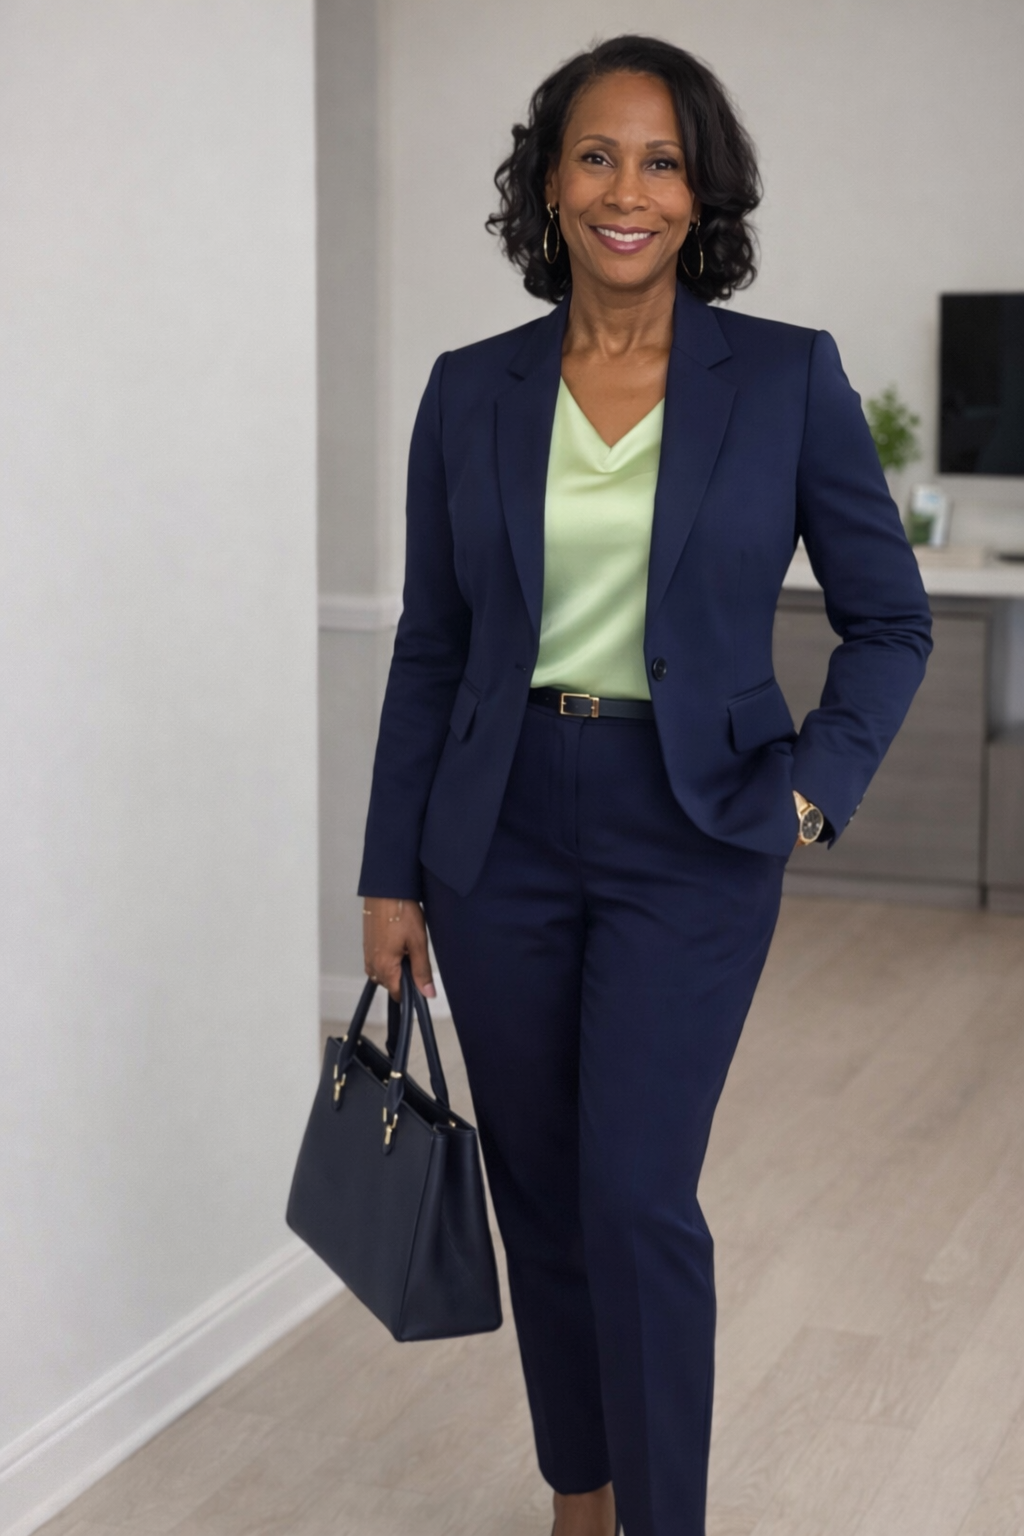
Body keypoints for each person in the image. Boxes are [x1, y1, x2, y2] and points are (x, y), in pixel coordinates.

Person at [358, 34, 931, 1536]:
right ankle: (582, 1492)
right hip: (496, 836)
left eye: (662, 160)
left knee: (634, 1196)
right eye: (597, 156)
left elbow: (891, 617)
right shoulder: (469, 390)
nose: (629, 189)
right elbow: (433, 647)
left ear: (703, 191)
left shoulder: (785, 378)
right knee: (541, 1197)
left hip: (697, 826)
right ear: (548, 184)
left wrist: (812, 793)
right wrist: (386, 868)